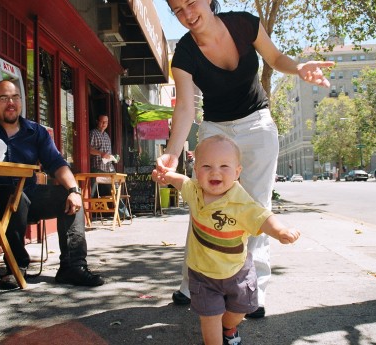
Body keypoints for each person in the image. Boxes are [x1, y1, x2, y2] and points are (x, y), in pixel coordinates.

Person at [154, 0, 334, 319]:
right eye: (177, 10)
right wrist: (171, 152)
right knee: (204, 202)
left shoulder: (244, 24)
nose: (187, 15)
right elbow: (185, 108)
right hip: (214, 127)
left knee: (256, 206)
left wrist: (299, 67)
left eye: (191, 3)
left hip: (257, 124)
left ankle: (253, 289)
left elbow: (276, 58)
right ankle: (190, 283)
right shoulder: (183, 53)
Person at [0, 80, 104, 290]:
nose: (10, 102)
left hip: (28, 194)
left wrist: (74, 190)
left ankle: (73, 267)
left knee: (67, 197)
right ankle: (16, 265)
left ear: (21, 103)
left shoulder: (36, 131)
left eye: (15, 98)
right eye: (4, 98)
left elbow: (57, 164)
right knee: (16, 197)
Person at [153, 135, 300, 345]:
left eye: (224, 166)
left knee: (239, 311)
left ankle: (229, 326)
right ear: (196, 170)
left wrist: (280, 231)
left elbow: (263, 217)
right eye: (206, 166)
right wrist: (166, 175)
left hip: (237, 272)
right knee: (210, 318)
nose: (215, 172)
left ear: (237, 172)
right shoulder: (194, 190)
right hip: (202, 274)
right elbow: (181, 181)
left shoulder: (240, 202)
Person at [89, 114, 132, 219]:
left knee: (116, 190)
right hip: (97, 168)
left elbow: (108, 154)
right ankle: (86, 215)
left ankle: (124, 214)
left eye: (106, 122)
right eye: (102, 122)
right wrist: (100, 153)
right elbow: (88, 149)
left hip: (108, 168)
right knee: (91, 192)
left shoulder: (107, 136)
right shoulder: (93, 133)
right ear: (97, 121)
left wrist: (113, 158)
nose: (104, 124)